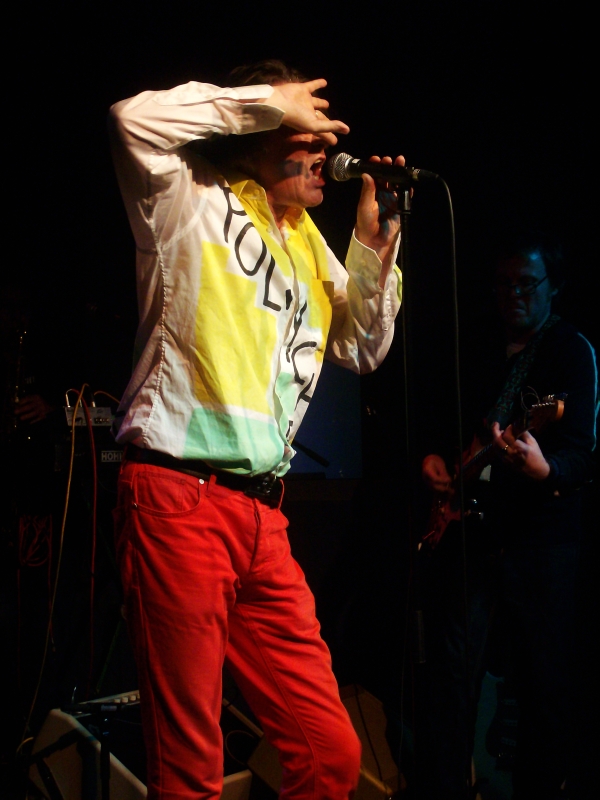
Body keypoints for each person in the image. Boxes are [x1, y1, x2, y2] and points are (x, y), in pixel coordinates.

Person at [108, 59, 404, 799]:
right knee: (191, 771)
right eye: (308, 131)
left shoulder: (306, 240)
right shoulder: (188, 196)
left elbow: (362, 348)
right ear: (259, 131)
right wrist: (268, 101)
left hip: (262, 519)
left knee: (330, 752)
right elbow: (130, 120)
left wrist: (374, 246)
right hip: (178, 498)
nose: (328, 147)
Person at [420, 230, 598, 798]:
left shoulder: (570, 351)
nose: (513, 295)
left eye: (526, 284)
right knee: (452, 680)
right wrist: (435, 459)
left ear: (553, 286)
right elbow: (450, 424)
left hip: (541, 546)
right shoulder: (481, 348)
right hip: (475, 534)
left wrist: (545, 469)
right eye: (503, 285)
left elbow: (581, 453)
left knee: (541, 687)